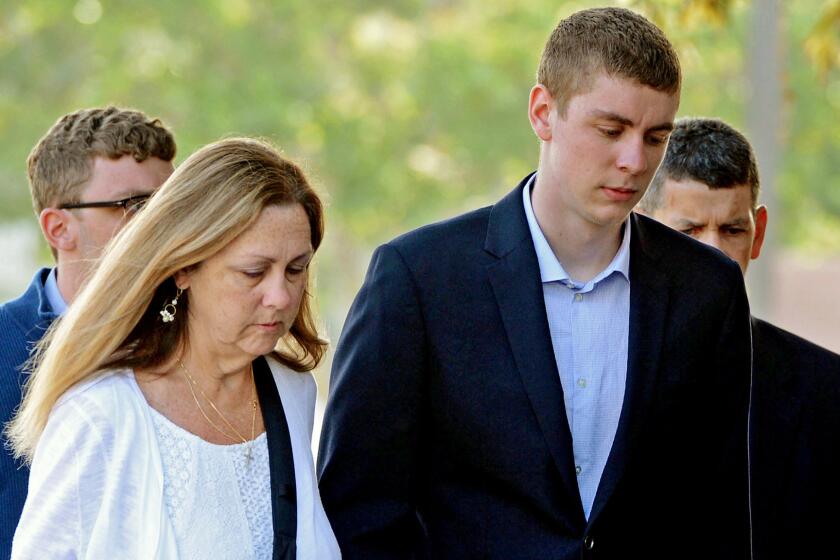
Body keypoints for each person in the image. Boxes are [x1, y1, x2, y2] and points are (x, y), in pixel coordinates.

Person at [318, 7, 751, 559]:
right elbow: (359, 512)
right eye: (611, 129)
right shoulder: (420, 279)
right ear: (543, 112)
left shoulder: (706, 288)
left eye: (655, 136)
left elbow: (718, 515)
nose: (634, 160)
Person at [6, 138, 341, 559]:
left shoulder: (294, 392)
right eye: (253, 272)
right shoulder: (100, 414)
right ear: (183, 267)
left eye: (296, 269)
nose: (280, 295)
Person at [638, 116, 840, 560]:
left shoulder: (826, 388)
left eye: (732, 230)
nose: (715, 255)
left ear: (759, 232)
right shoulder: (595, 371)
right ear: (640, 233)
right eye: (689, 230)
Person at [0, 106, 176, 558]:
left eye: (169, 205)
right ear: (59, 228)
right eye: (133, 206)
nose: (160, 225)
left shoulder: (200, 342)